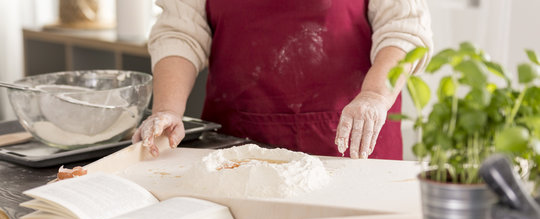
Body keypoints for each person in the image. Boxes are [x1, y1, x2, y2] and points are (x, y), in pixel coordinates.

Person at [132, 0, 433, 159]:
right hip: (237, 145)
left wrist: (376, 96)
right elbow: (181, 31)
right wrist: (167, 110)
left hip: (352, 142)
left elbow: (404, 27)